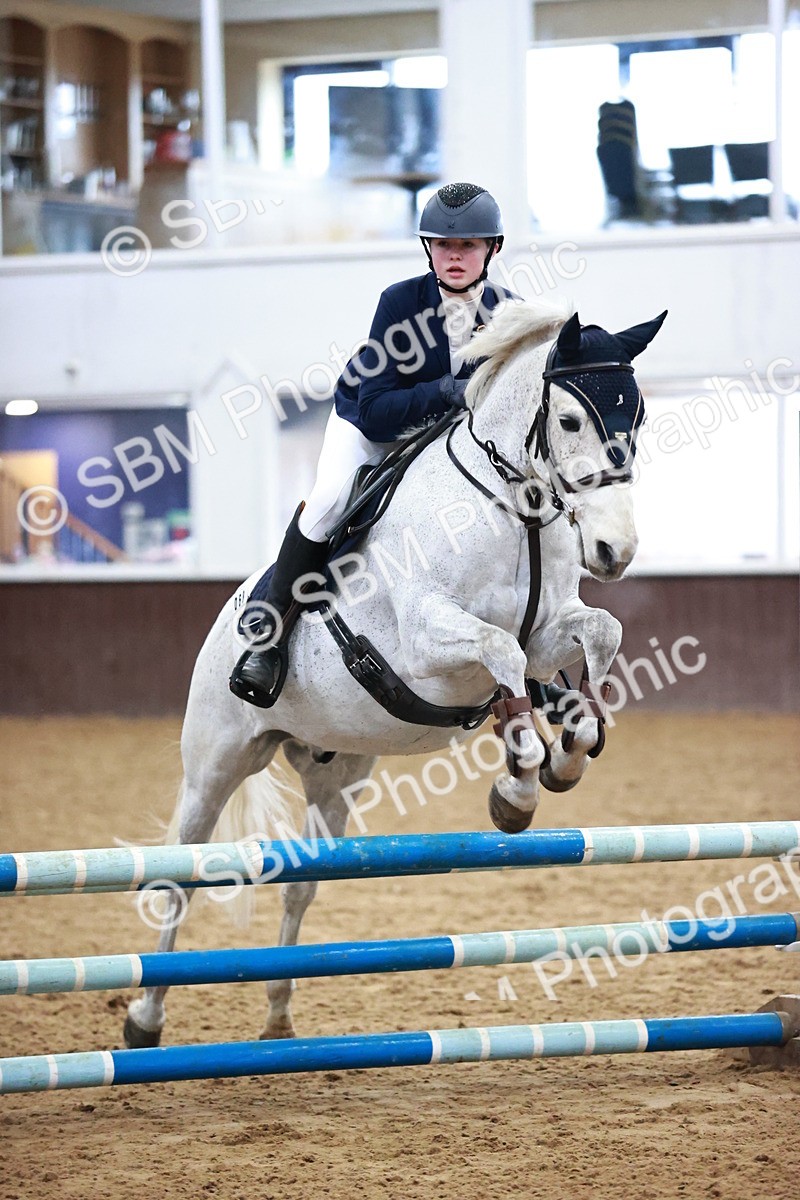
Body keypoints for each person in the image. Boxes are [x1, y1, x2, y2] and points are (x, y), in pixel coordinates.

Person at [230, 181, 516, 708]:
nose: (454, 256)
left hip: (442, 442)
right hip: (367, 425)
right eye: (443, 245)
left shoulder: (508, 312)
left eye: (468, 245)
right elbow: (378, 410)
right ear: (428, 248)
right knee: (329, 500)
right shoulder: (399, 302)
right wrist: (445, 391)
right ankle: (268, 636)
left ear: (492, 249)